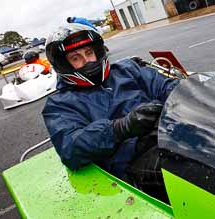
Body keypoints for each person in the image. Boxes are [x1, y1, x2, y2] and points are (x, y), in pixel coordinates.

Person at [42, 23, 178, 198]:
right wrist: (120, 128)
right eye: (76, 58)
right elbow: (70, 147)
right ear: (64, 64)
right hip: (132, 163)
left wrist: (192, 90)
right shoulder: (59, 104)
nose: (87, 61)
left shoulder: (127, 70)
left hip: (168, 135)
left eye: (89, 53)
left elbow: (164, 86)